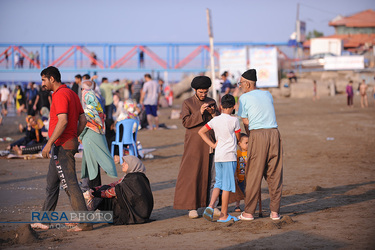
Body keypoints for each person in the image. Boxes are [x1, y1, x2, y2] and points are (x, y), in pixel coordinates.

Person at [31, 66, 92, 232]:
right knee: (51, 184)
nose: (42, 83)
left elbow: (63, 120)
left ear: (52, 79)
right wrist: (74, 135)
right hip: (65, 143)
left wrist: (49, 143)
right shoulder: (72, 93)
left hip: (62, 146)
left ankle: (85, 222)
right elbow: (83, 119)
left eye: (43, 79)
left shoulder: (59, 94)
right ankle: (45, 221)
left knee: (70, 184)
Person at [237, 69, 283, 221]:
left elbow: (245, 121)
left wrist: (251, 136)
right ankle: (275, 212)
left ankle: (249, 212)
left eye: (241, 83)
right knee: (274, 173)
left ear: (248, 84)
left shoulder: (244, 98)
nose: (240, 86)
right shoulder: (267, 94)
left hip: (258, 134)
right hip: (274, 133)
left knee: (254, 174)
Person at [173, 75, 220, 219]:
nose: (203, 94)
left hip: (210, 143)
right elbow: (186, 122)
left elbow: (219, 120)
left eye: (205, 92)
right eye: (201, 92)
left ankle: (213, 205)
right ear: (195, 90)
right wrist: (199, 112)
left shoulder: (212, 101)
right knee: (193, 175)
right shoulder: (187, 103)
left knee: (213, 175)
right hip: (193, 144)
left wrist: (213, 113)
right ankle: (192, 207)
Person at [199, 94, 241, 223]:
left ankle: (211, 206)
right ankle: (224, 214)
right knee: (227, 186)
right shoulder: (234, 120)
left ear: (221, 106)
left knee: (219, 182)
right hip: (229, 155)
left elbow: (201, 131)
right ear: (234, 107)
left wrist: (212, 144)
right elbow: (238, 137)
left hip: (218, 155)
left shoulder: (215, 120)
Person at [86, 155, 154, 225]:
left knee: (101, 194)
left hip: (131, 216)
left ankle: (82, 217)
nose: (122, 164)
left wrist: (95, 194)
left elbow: (114, 191)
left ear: (132, 164)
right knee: (103, 189)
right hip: (137, 215)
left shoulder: (134, 179)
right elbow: (113, 184)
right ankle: (83, 216)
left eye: (125, 162)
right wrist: (94, 189)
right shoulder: (135, 177)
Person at [79, 80, 118, 192]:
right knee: (93, 164)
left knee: (92, 166)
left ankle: (93, 192)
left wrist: (79, 136)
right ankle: (94, 190)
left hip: (90, 138)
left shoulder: (88, 110)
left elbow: (85, 125)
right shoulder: (98, 108)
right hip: (97, 136)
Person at [234, 133, 248, 212]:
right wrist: (235, 175)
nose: (248, 145)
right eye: (246, 143)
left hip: (248, 177)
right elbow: (235, 165)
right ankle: (237, 206)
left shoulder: (250, 153)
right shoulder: (237, 153)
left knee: (247, 193)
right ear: (239, 144)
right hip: (240, 177)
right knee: (239, 193)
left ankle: (247, 206)